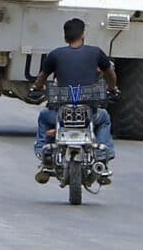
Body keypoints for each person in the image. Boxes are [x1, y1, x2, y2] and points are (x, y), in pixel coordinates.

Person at [29, 18, 120, 183]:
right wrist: (113, 88)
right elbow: (110, 73)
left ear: (65, 37)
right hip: (88, 114)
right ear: (83, 35)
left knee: (44, 116)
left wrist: (36, 88)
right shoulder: (95, 52)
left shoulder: (55, 55)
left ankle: (45, 155)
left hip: (61, 114)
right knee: (104, 117)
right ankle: (101, 158)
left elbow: (41, 78)